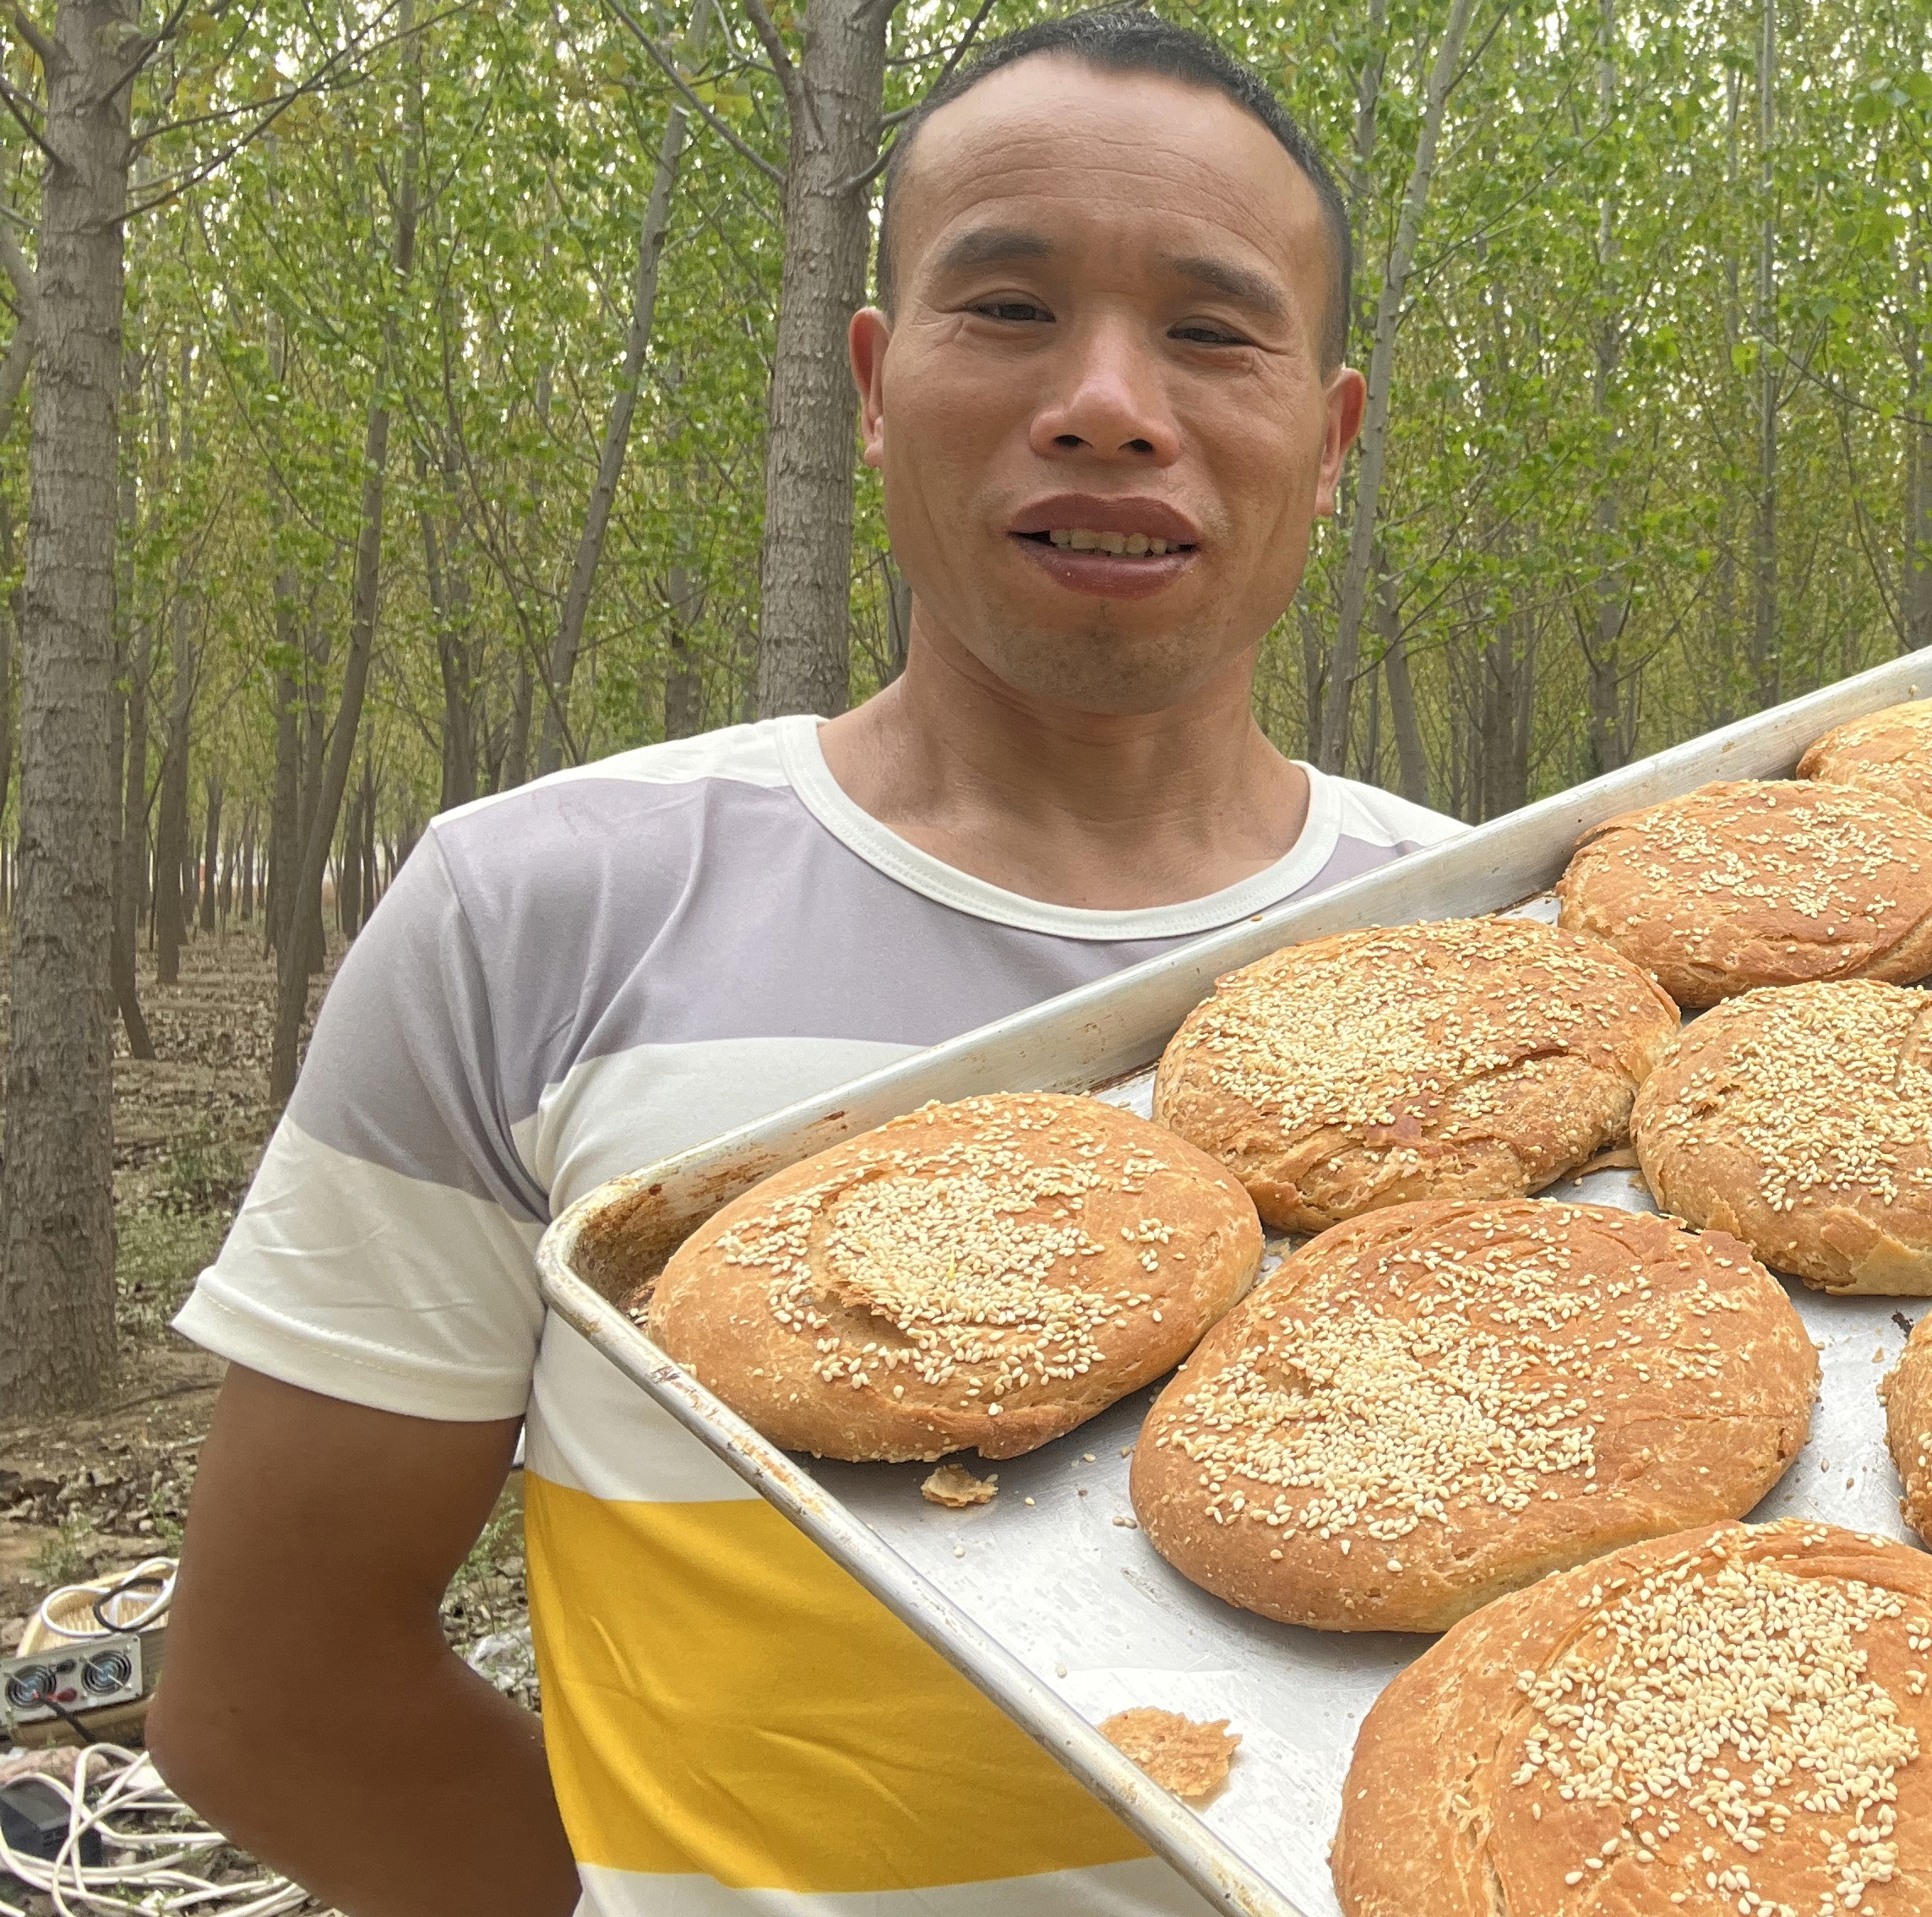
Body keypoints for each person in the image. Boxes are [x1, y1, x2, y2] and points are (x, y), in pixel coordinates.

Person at [145, 13, 1452, 1913]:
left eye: (1211, 329)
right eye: (1003, 308)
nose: (1105, 401)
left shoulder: (1488, 936)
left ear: (1329, 440)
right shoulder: (540, 910)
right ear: (871, 382)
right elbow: (273, 1696)